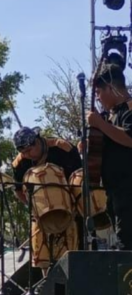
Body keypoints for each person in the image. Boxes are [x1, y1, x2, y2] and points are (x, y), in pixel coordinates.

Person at [12, 126, 82, 269]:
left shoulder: (62, 148)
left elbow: (79, 177)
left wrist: (75, 205)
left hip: (70, 209)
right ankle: (46, 280)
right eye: (23, 152)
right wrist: (33, 208)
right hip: (40, 213)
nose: (27, 155)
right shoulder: (19, 162)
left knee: (73, 252)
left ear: (37, 141)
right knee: (42, 256)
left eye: (29, 150)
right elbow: (19, 190)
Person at [89, 63, 132, 250]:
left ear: (111, 87)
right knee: (122, 241)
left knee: (127, 243)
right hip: (114, 189)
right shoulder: (111, 115)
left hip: (128, 187)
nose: (98, 98)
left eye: (99, 92)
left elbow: (129, 138)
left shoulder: (129, 109)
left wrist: (99, 123)